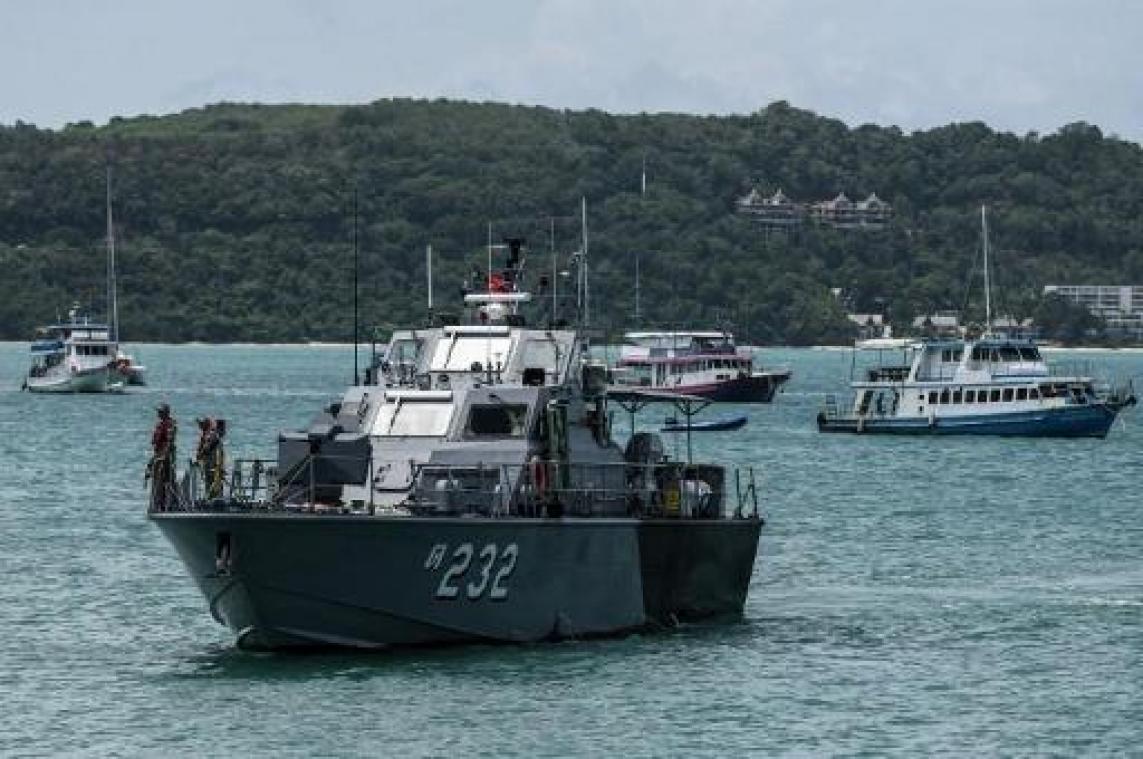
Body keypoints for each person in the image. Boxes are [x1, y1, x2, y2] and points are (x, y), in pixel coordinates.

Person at [148, 403, 178, 510]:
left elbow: (169, 442)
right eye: (158, 411)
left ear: (165, 413)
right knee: (159, 481)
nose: (158, 413)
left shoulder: (170, 424)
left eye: (160, 411)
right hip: (159, 454)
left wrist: (164, 456)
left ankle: (170, 502)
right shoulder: (160, 424)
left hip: (165, 456)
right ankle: (160, 502)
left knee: (167, 480)